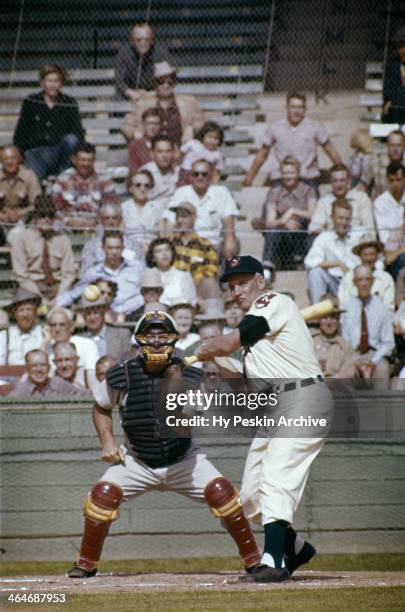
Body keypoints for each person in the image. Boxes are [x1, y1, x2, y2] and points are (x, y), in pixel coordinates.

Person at [67, 310, 261, 578]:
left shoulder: (192, 377)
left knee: (223, 493)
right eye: (150, 335)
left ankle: (254, 560)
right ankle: (85, 563)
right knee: (102, 497)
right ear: (139, 339)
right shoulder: (120, 375)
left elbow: (181, 425)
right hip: (136, 458)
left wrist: (176, 387)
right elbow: (101, 406)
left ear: (173, 339)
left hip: (182, 458)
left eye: (162, 335)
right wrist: (108, 441)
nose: (157, 342)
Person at [196, 256, 333, 582]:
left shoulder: (273, 301)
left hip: (303, 398)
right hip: (275, 406)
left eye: (243, 282)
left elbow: (229, 340)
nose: (237, 290)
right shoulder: (256, 339)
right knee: (251, 498)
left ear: (261, 281)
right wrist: (216, 362)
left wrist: (212, 346)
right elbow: (248, 382)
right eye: (232, 286)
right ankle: (296, 549)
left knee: (275, 478)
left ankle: (272, 561)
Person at [243, 92, 341, 188]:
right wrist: (249, 178)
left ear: (305, 109)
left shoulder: (315, 127)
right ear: (286, 108)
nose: (296, 111)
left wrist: (343, 171)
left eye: (300, 107)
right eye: (293, 107)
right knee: (271, 203)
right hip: (282, 178)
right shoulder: (275, 127)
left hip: (307, 177)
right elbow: (262, 154)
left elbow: (330, 150)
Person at [13, 64, 84, 182]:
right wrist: (22, 153)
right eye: (49, 81)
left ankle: (63, 180)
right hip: (36, 153)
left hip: (59, 152)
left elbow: (78, 132)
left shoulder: (69, 103)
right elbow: (21, 131)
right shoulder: (31, 102)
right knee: (33, 182)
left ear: (61, 83)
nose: (53, 85)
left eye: (56, 81)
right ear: (42, 83)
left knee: (72, 139)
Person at [57, 231, 144, 319]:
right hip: (104, 317)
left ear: (123, 248)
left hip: (133, 315)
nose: (114, 252)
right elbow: (74, 293)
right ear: (103, 248)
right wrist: (54, 306)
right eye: (110, 248)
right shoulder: (94, 272)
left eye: (118, 248)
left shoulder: (136, 267)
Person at [162, 159, 238, 258]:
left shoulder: (221, 192)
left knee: (232, 248)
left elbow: (229, 226)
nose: (200, 177)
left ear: (210, 176)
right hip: (186, 246)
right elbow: (169, 224)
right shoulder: (181, 193)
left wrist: (229, 245)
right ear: (190, 176)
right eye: (196, 174)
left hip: (214, 246)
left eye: (204, 174)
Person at [251, 155, 317, 269]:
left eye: (292, 173)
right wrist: (283, 222)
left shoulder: (308, 189)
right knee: (273, 231)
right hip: (283, 235)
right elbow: (270, 222)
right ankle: (267, 267)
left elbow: (313, 214)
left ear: (298, 173)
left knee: (301, 222)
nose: (288, 176)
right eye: (285, 173)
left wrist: (292, 211)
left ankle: (302, 261)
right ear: (281, 174)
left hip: (303, 233)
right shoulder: (275, 191)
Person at [10, 196, 76, 306]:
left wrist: (60, 296)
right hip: (32, 287)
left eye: (50, 215)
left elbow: (69, 273)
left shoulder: (63, 239)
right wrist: (40, 297)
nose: (47, 219)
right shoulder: (21, 239)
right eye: (42, 215)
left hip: (58, 286)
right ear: (35, 217)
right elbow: (21, 275)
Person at [121, 62, 205, 146]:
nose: (166, 85)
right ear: (155, 84)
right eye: (161, 82)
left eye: (170, 82)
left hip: (180, 150)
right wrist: (138, 135)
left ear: (174, 83)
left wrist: (192, 129)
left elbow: (201, 122)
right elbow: (126, 126)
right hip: (152, 152)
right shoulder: (143, 104)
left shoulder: (188, 102)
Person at [340, 265, 395, 387]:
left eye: (367, 279)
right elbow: (345, 341)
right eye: (360, 280)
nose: (364, 284)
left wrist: (373, 362)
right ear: (354, 282)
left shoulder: (381, 307)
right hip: (353, 354)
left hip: (375, 354)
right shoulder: (347, 307)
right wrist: (356, 361)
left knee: (382, 370)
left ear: (373, 281)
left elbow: (388, 343)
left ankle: (379, 406)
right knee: (346, 372)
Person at [304, 199, 366, 303]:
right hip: (334, 284)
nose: (344, 222)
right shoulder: (324, 237)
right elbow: (310, 262)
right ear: (332, 217)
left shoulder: (359, 234)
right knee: (315, 273)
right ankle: (319, 313)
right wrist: (337, 264)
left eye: (347, 219)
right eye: (341, 218)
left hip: (355, 283)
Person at [52, 142, 118, 230]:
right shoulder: (63, 179)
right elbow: (54, 206)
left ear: (94, 160)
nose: (86, 164)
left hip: (96, 223)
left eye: (89, 160)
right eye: (82, 160)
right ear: (74, 160)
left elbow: (110, 205)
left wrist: (97, 220)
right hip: (68, 222)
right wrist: (68, 220)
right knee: (56, 225)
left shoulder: (104, 179)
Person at [169, 201, 220, 298]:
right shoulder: (169, 242)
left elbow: (211, 272)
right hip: (171, 287)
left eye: (184, 216)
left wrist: (191, 283)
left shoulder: (205, 245)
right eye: (177, 217)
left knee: (209, 282)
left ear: (194, 218)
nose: (179, 220)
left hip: (195, 289)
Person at [309, 164, 375, 238]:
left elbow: (370, 229)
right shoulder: (324, 201)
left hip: (357, 242)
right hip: (332, 242)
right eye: (335, 181)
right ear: (330, 182)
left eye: (342, 180)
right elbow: (314, 228)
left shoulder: (361, 198)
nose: (339, 185)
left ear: (349, 181)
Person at [80, 203, 143, 276]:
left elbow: (139, 269)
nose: (111, 222)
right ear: (101, 220)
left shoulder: (133, 245)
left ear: (120, 220)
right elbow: (86, 271)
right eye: (107, 218)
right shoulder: (91, 246)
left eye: (114, 218)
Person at [114, 23, 170, 101]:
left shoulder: (160, 52)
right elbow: (120, 81)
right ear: (132, 41)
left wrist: (148, 94)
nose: (143, 43)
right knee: (117, 98)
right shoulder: (124, 53)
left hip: (154, 95)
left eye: (146, 39)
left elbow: (166, 80)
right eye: (138, 40)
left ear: (151, 40)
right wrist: (131, 93)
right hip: (131, 95)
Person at [338, 240, 395, 312]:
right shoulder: (348, 277)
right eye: (365, 255)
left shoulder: (386, 278)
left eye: (372, 254)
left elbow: (389, 308)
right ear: (360, 256)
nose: (369, 258)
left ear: (377, 255)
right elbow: (343, 305)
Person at [9, 349, 88, 398]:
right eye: (34, 365)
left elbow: (84, 394)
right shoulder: (20, 392)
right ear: (27, 368)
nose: (39, 369)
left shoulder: (58, 384)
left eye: (43, 365)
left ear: (49, 368)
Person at [77, 292, 132, 362]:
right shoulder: (79, 340)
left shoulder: (121, 335)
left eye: (96, 312)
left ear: (103, 313)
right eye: (88, 314)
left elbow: (128, 362)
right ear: (84, 317)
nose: (92, 317)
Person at [311, 294, 356, 378]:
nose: (329, 322)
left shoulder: (346, 347)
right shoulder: (309, 342)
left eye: (333, 317)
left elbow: (349, 375)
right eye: (324, 317)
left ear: (338, 318)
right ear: (318, 319)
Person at [374, 162, 405, 281]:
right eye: (392, 181)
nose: (396, 184)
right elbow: (386, 244)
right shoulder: (380, 203)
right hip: (395, 255)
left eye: (399, 180)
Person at [43, 307, 99, 371]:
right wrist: (45, 342)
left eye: (62, 325)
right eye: (53, 325)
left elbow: (91, 371)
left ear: (71, 326)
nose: (57, 329)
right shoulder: (46, 347)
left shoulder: (87, 345)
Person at [145, 238, 197, 307]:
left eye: (167, 249)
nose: (164, 254)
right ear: (153, 258)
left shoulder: (184, 275)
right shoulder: (147, 275)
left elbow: (192, 302)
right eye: (159, 251)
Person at [0, 145, 41, 229]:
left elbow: (37, 203)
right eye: (5, 159)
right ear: (1, 161)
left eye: (13, 158)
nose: (9, 162)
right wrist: (2, 216)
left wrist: (19, 213)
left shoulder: (29, 176)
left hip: (25, 220)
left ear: (19, 159)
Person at [121, 169, 162, 251]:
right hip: (129, 250)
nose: (142, 189)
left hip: (152, 250)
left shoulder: (158, 207)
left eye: (146, 185)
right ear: (130, 188)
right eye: (138, 185)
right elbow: (120, 235)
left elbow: (162, 236)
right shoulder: (123, 208)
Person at [0, 288, 43, 365]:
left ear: (35, 313)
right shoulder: (4, 336)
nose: (25, 315)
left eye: (29, 309)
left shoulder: (43, 334)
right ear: (14, 314)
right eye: (21, 310)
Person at [139, 135, 179, 211]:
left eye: (168, 151)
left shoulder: (179, 172)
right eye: (160, 152)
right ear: (152, 154)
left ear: (173, 153)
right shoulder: (144, 173)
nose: (164, 156)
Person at [178, 121, 224, 185]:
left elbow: (216, 173)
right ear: (203, 136)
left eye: (216, 138)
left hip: (204, 177)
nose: (212, 141)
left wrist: (215, 185)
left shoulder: (217, 154)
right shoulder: (194, 144)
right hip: (186, 173)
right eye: (210, 137)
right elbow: (179, 154)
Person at [382, 25, 405, 125]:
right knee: (393, 107)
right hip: (397, 104)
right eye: (400, 47)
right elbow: (387, 87)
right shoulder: (392, 64)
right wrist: (388, 100)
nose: (404, 50)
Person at [128, 108, 163, 173]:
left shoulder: (166, 143)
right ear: (143, 124)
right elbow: (133, 170)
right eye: (149, 123)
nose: (153, 127)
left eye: (156, 124)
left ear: (161, 125)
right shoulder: (135, 145)